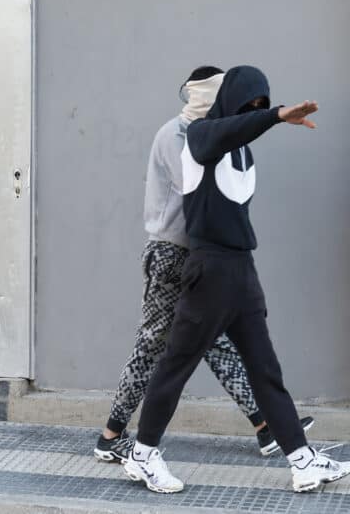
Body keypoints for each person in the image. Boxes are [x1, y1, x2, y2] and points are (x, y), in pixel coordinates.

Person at [123, 65, 350, 494]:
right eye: (249, 104)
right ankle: (142, 454)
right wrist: (277, 115)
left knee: (265, 369)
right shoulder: (200, 137)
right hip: (208, 272)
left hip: (242, 272)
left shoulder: (243, 149)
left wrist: (269, 119)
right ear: (230, 103)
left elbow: (241, 136)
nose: (255, 111)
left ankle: (301, 460)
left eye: (261, 104)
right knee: (175, 367)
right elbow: (229, 132)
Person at [95, 66, 312, 464]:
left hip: (200, 257)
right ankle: (112, 434)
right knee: (156, 346)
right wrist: (265, 121)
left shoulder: (219, 133)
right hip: (171, 252)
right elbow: (202, 186)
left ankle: (267, 427)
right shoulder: (183, 135)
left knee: (216, 344)